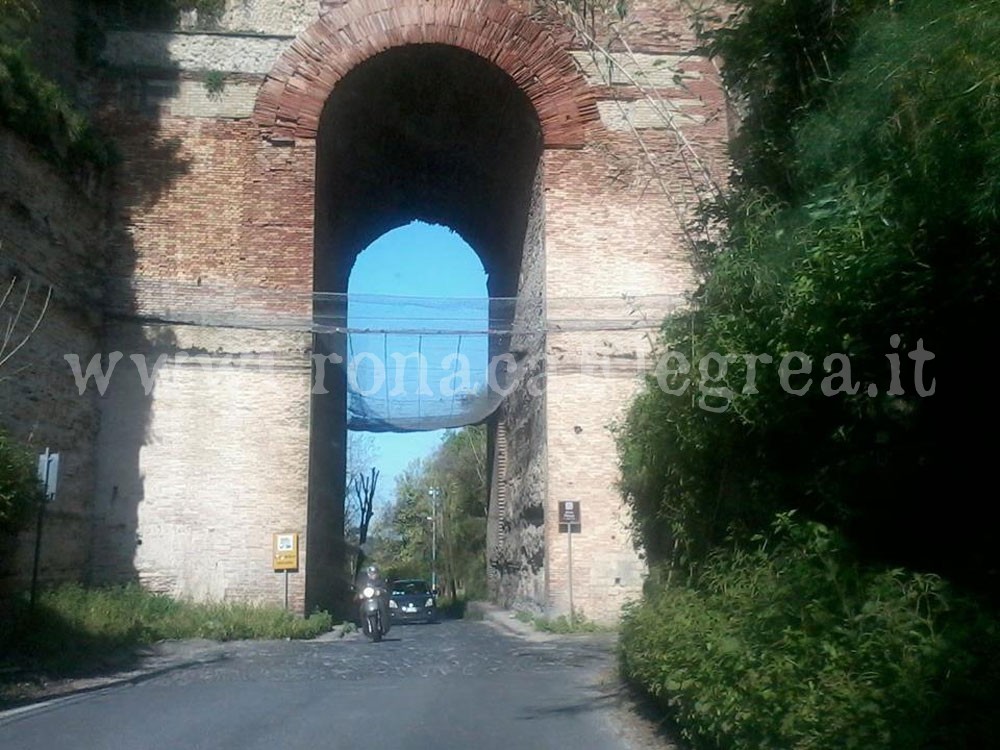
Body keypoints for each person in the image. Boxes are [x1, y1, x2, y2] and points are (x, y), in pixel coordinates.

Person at [354, 563, 390, 633]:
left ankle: (384, 624)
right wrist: (360, 595)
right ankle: (365, 627)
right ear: (368, 574)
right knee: (361, 609)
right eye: (371, 573)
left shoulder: (380, 581)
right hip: (367, 600)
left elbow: (385, 588)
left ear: (377, 573)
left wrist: (381, 591)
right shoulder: (364, 582)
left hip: (378, 599)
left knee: (383, 606)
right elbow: (359, 589)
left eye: (374, 573)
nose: (372, 575)